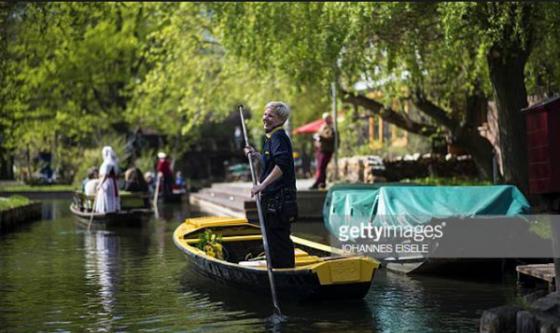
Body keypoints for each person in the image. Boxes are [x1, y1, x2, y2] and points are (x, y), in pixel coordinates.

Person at [244, 101, 298, 269]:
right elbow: (269, 162)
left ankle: (284, 275)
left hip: (279, 200)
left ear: (280, 119)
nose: (265, 118)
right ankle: (276, 270)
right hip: (272, 199)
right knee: (272, 240)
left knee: (279, 240)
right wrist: (256, 155)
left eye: (270, 116)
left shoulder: (279, 138)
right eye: (265, 114)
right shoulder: (270, 138)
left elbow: (282, 166)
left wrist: (262, 186)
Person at [309, 112, 335, 190]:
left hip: (326, 150)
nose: (326, 120)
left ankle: (318, 182)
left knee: (321, 167)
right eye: (325, 118)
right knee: (321, 167)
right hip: (321, 149)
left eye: (327, 118)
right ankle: (322, 182)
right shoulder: (324, 126)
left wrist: (320, 137)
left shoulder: (331, 128)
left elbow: (329, 137)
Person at [94, 146, 121, 213]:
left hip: (107, 183)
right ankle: (112, 209)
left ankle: (107, 210)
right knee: (110, 196)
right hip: (112, 182)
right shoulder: (113, 163)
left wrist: (100, 184)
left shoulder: (108, 163)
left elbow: (105, 175)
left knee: (107, 195)